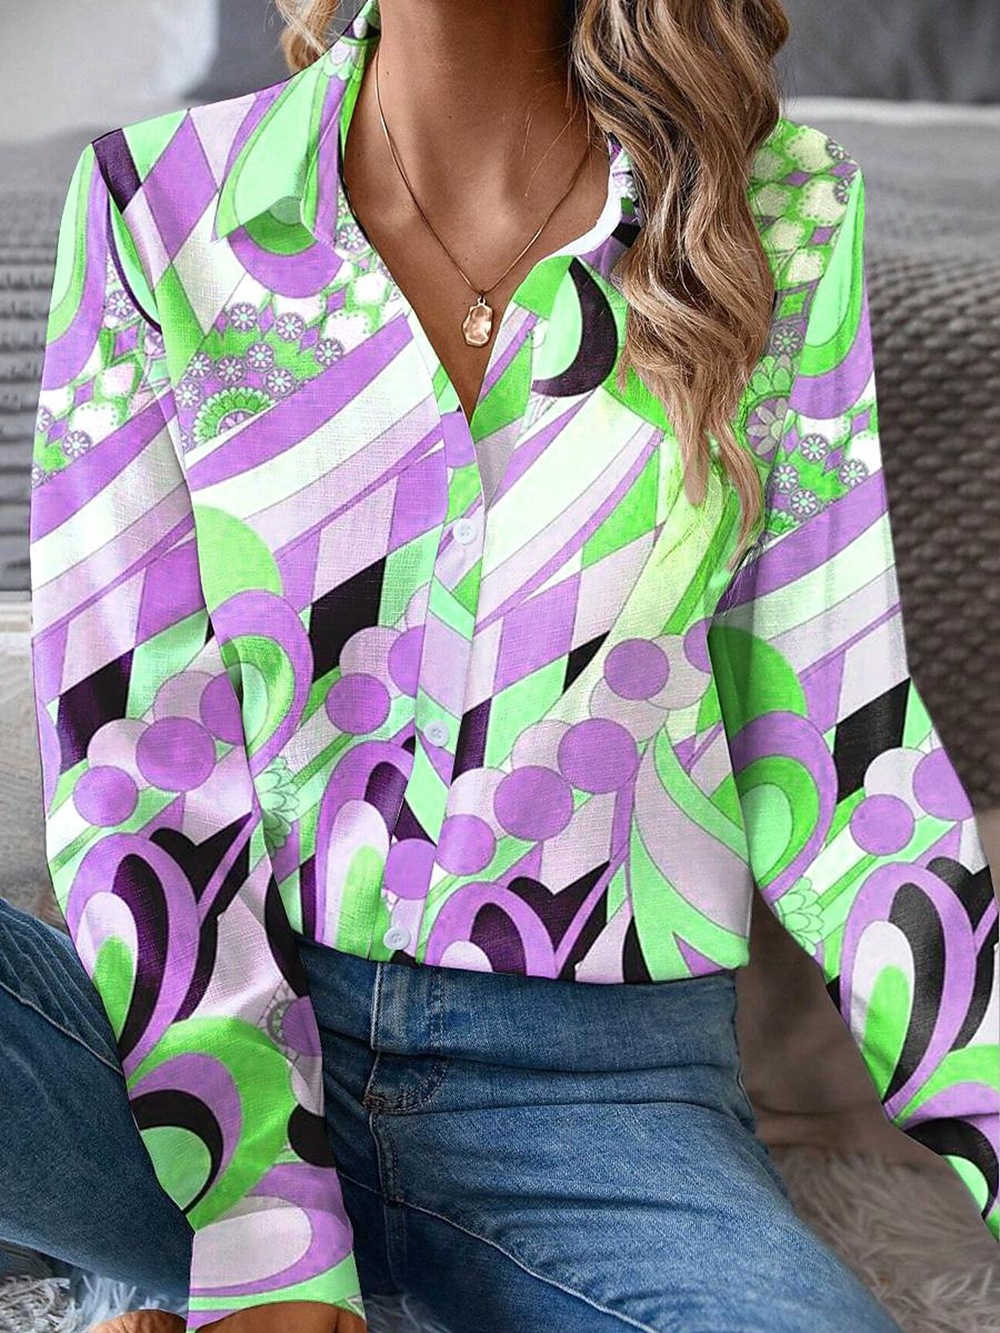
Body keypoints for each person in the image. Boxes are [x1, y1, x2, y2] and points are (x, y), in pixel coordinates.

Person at [4, 0, 997, 1330]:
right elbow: (137, 753)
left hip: (599, 1115)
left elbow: (838, 755)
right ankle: (200, 1259)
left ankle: (186, 1280)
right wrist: (261, 1218)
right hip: (201, 1043)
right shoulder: (155, 205)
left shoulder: (781, 217)